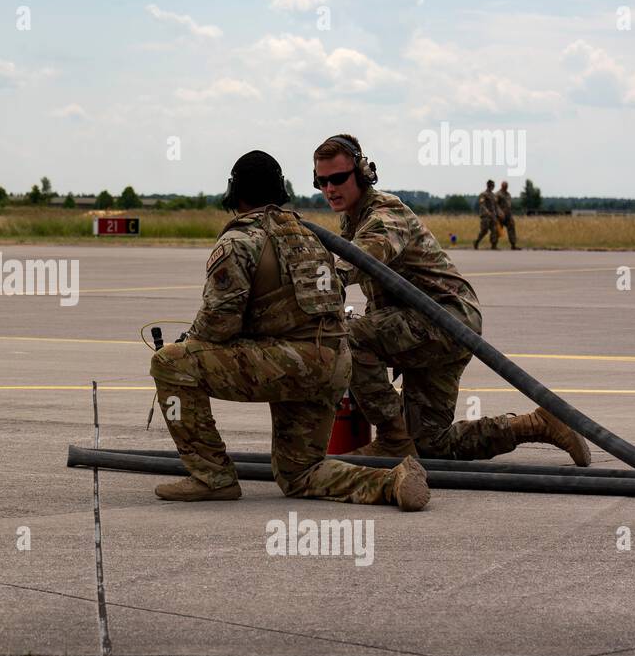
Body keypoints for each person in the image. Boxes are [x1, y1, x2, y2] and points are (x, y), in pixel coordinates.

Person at [149, 150, 431, 511]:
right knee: (299, 473)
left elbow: (219, 324)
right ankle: (393, 482)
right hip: (331, 364)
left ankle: (211, 477)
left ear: (236, 192)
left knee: (170, 363)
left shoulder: (238, 241)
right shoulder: (307, 234)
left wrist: (188, 343)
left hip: (291, 363)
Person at [313, 134, 590, 464]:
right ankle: (536, 425)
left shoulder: (384, 216)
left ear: (361, 174)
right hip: (432, 325)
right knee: (432, 444)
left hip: (445, 320)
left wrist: (328, 282)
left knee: (346, 336)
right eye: (322, 182)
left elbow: (363, 257)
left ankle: (392, 437)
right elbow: (381, 290)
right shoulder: (352, 218)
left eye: (338, 179)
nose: (330, 189)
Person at [474, 179, 500, 249]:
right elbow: (482, 204)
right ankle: (476, 242)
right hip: (486, 216)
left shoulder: (493, 195)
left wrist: (498, 214)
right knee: (484, 231)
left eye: (493, 185)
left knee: (495, 230)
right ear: (489, 185)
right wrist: (487, 212)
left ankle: (494, 245)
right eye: (492, 185)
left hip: (493, 216)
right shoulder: (484, 194)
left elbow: (496, 206)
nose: (493, 187)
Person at [497, 180, 519, 250]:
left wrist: (510, 214)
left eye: (506, 186)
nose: (506, 187)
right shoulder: (498, 194)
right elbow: (495, 205)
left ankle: (513, 244)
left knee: (511, 228)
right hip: (500, 215)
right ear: (501, 186)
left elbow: (509, 205)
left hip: (508, 215)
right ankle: (494, 244)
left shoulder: (508, 194)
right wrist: (499, 212)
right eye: (504, 186)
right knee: (498, 230)